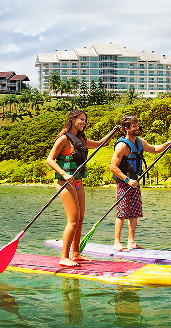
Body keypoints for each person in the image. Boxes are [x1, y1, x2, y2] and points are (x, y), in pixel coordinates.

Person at [47, 109, 119, 267]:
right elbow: (50, 160)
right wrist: (64, 174)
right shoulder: (64, 139)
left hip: (78, 181)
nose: (83, 122)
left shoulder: (81, 139)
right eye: (81, 119)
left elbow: (101, 144)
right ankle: (64, 257)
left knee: (80, 219)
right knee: (72, 221)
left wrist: (113, 132)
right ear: (72, 119)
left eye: (85, 120)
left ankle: (75, 253)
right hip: (65, 182)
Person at [109, 115, 171, 251]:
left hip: (135, 182)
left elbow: (155, 149)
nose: (137, 128)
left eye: (137, 125)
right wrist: (127, 180)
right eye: (134, 126)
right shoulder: (121, 146)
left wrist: (168, 143)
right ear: (126, 128)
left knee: (134, 211)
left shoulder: (140, 142)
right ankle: (117, 242)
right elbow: (113, 167)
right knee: (122, 212)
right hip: (124, 182)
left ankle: (131, 242)